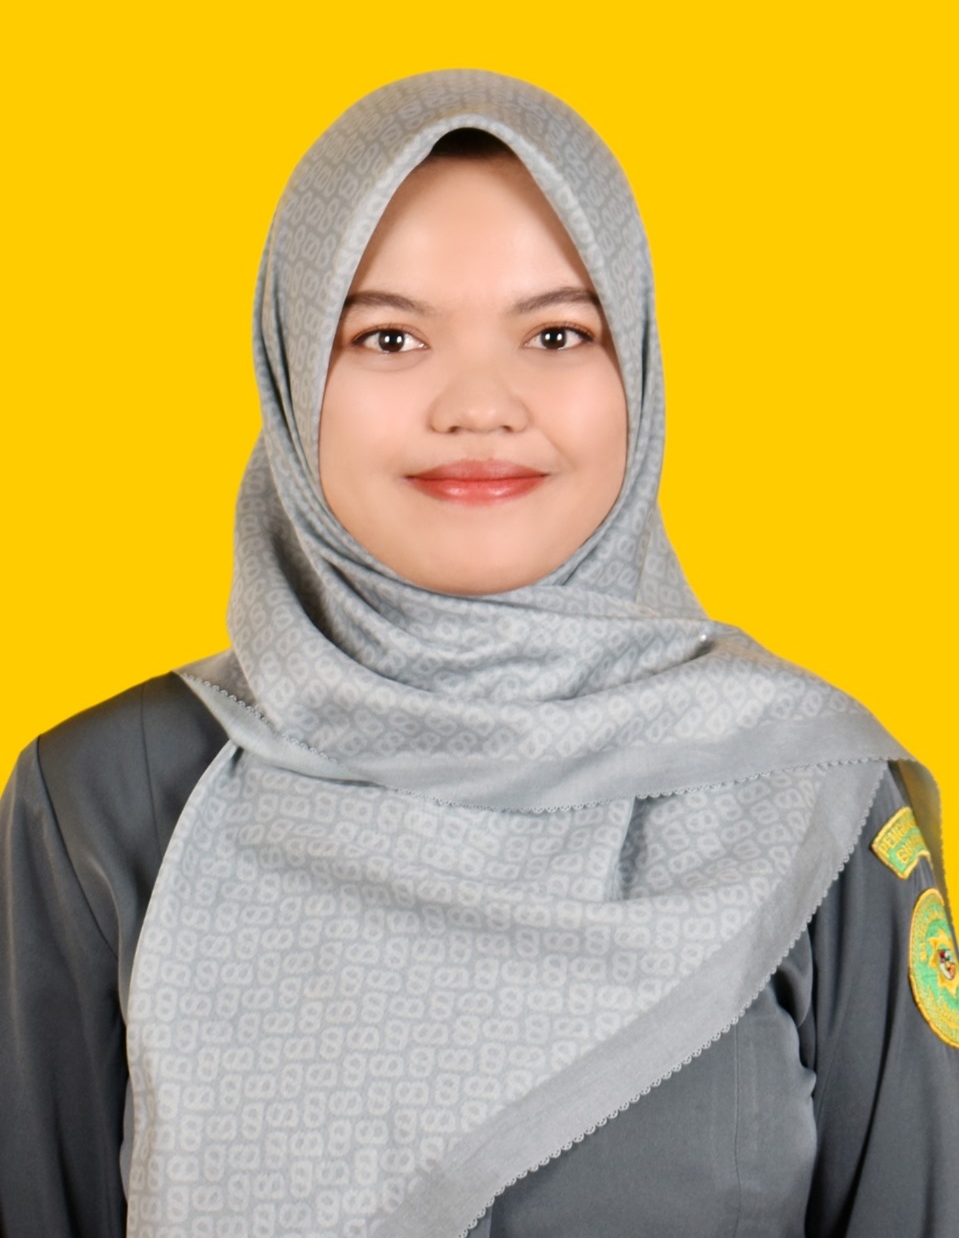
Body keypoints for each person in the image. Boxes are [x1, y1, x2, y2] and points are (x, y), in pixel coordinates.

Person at [1, 70, 956, 1238]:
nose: (478, 405)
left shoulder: (804, 798)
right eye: (389, 336)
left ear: (633, 370)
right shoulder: (103, 798)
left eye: (554, 333)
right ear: (293, 373)